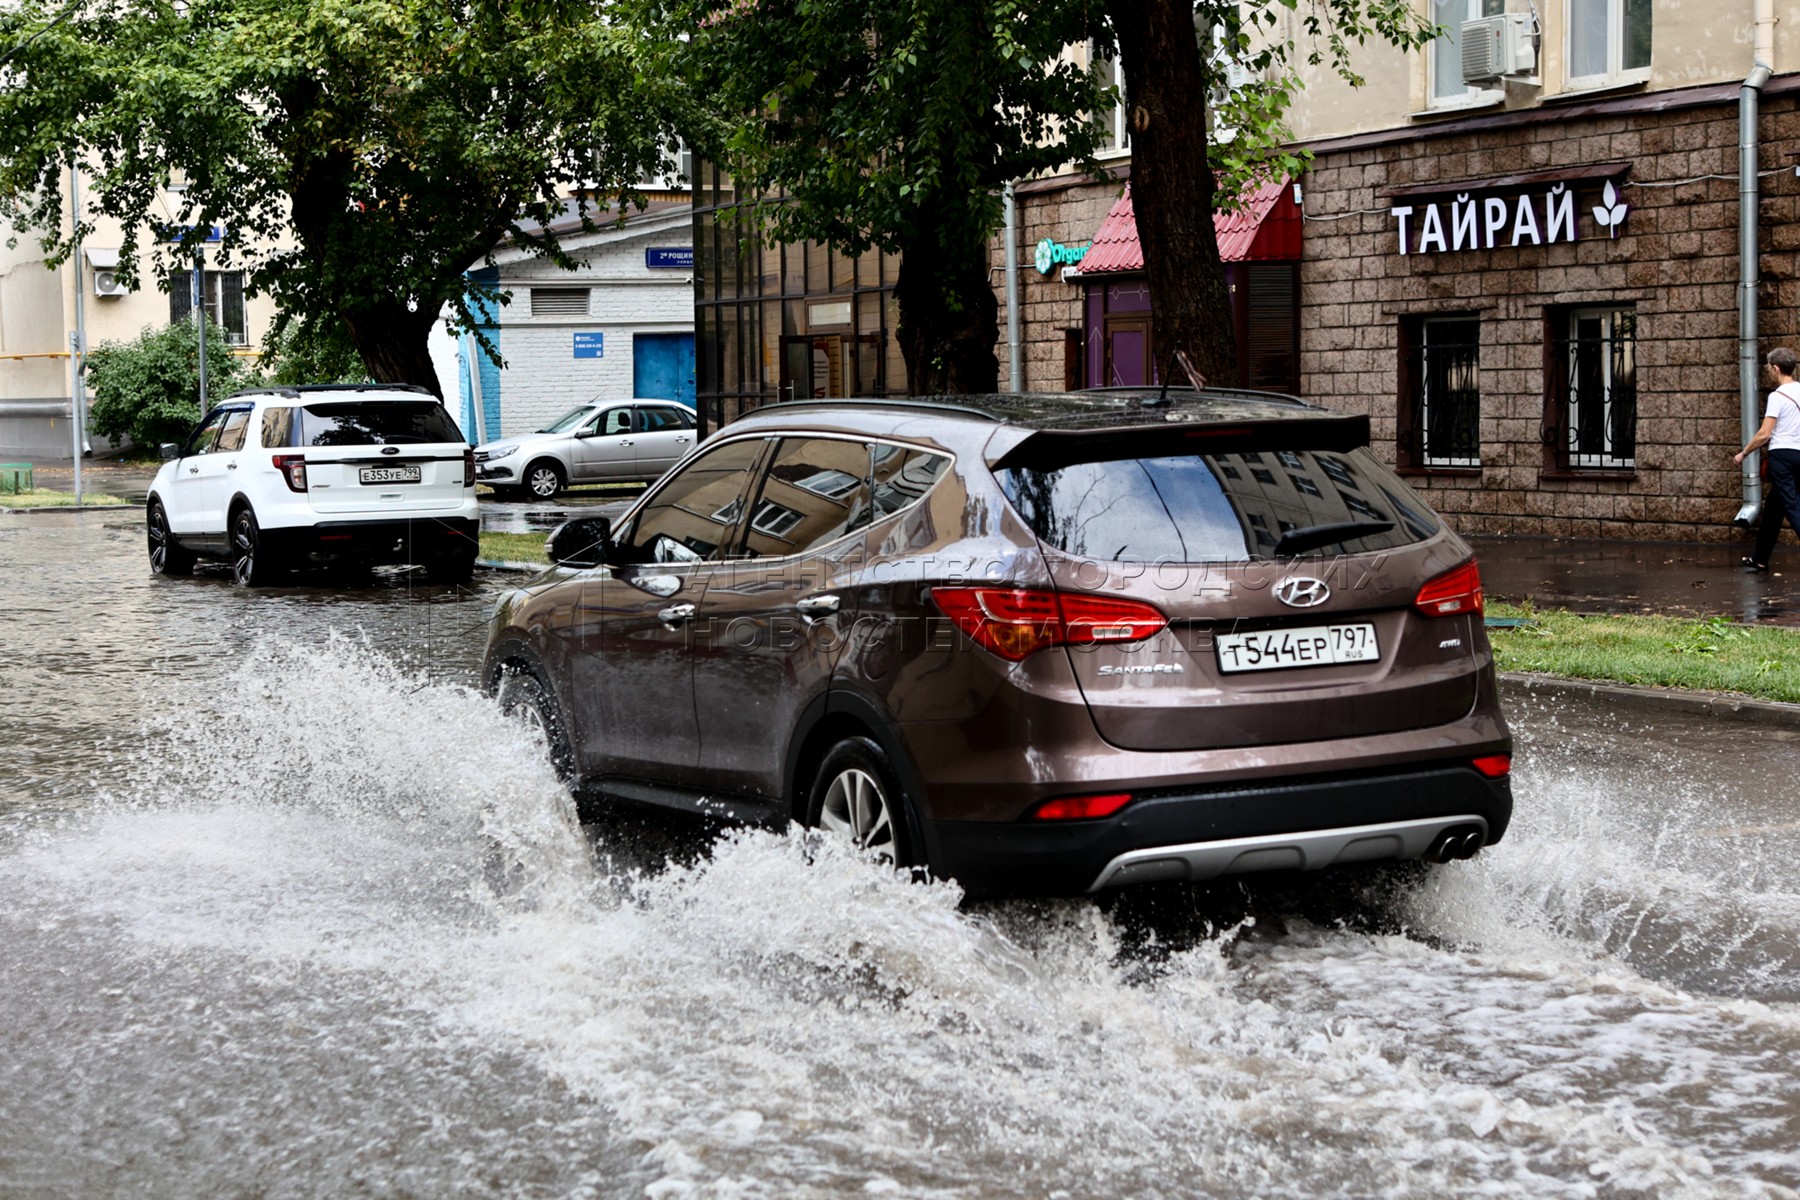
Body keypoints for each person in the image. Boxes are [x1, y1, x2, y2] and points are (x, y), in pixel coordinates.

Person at [1735, 346, 1800, 571]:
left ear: (1776, 368)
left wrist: (1744, 453)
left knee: (1792, 505)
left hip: (1782, 457)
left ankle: (1760, 558)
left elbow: (1764, 434)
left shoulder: (1777, 396)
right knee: (1775, 508)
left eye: (1769, 368)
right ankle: (1760, 558)